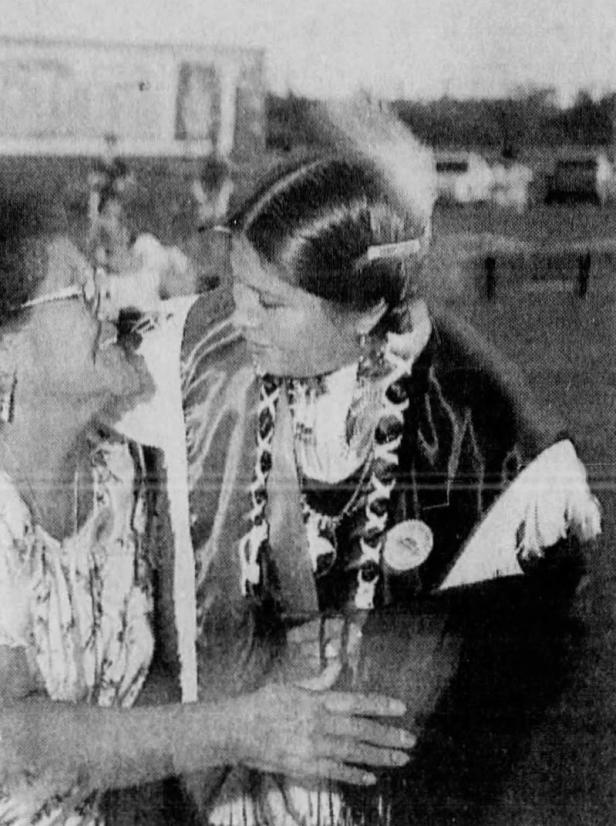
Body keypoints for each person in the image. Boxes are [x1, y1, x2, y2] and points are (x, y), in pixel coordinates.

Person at [0, 169, 417, 826]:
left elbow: (115, 705)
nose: (108, 300)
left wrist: (264, 681)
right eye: (79, 291)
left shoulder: (110, 476)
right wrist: (242, 728)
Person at [114, 110, 602, 825]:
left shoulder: (479, 431)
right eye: (234, 284)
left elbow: (531, 646)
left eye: (270, 303)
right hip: (223, 778)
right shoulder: (201, 350)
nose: (237, 315)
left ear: (366, 310)